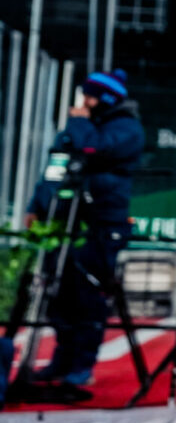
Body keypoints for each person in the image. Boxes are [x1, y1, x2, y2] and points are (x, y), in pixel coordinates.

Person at [21, 69, 145, 395]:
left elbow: (93, 148)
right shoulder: (81, 126)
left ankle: (81, 368)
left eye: (90, 95)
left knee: (88, 298)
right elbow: (55, 165)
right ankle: (61, 361)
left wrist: (78, 123)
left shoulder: (126, 128)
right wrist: (36, 205)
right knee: (58, 297)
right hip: (63, 226)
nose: (84, 102)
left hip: (100, 225)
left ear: (105, 97)